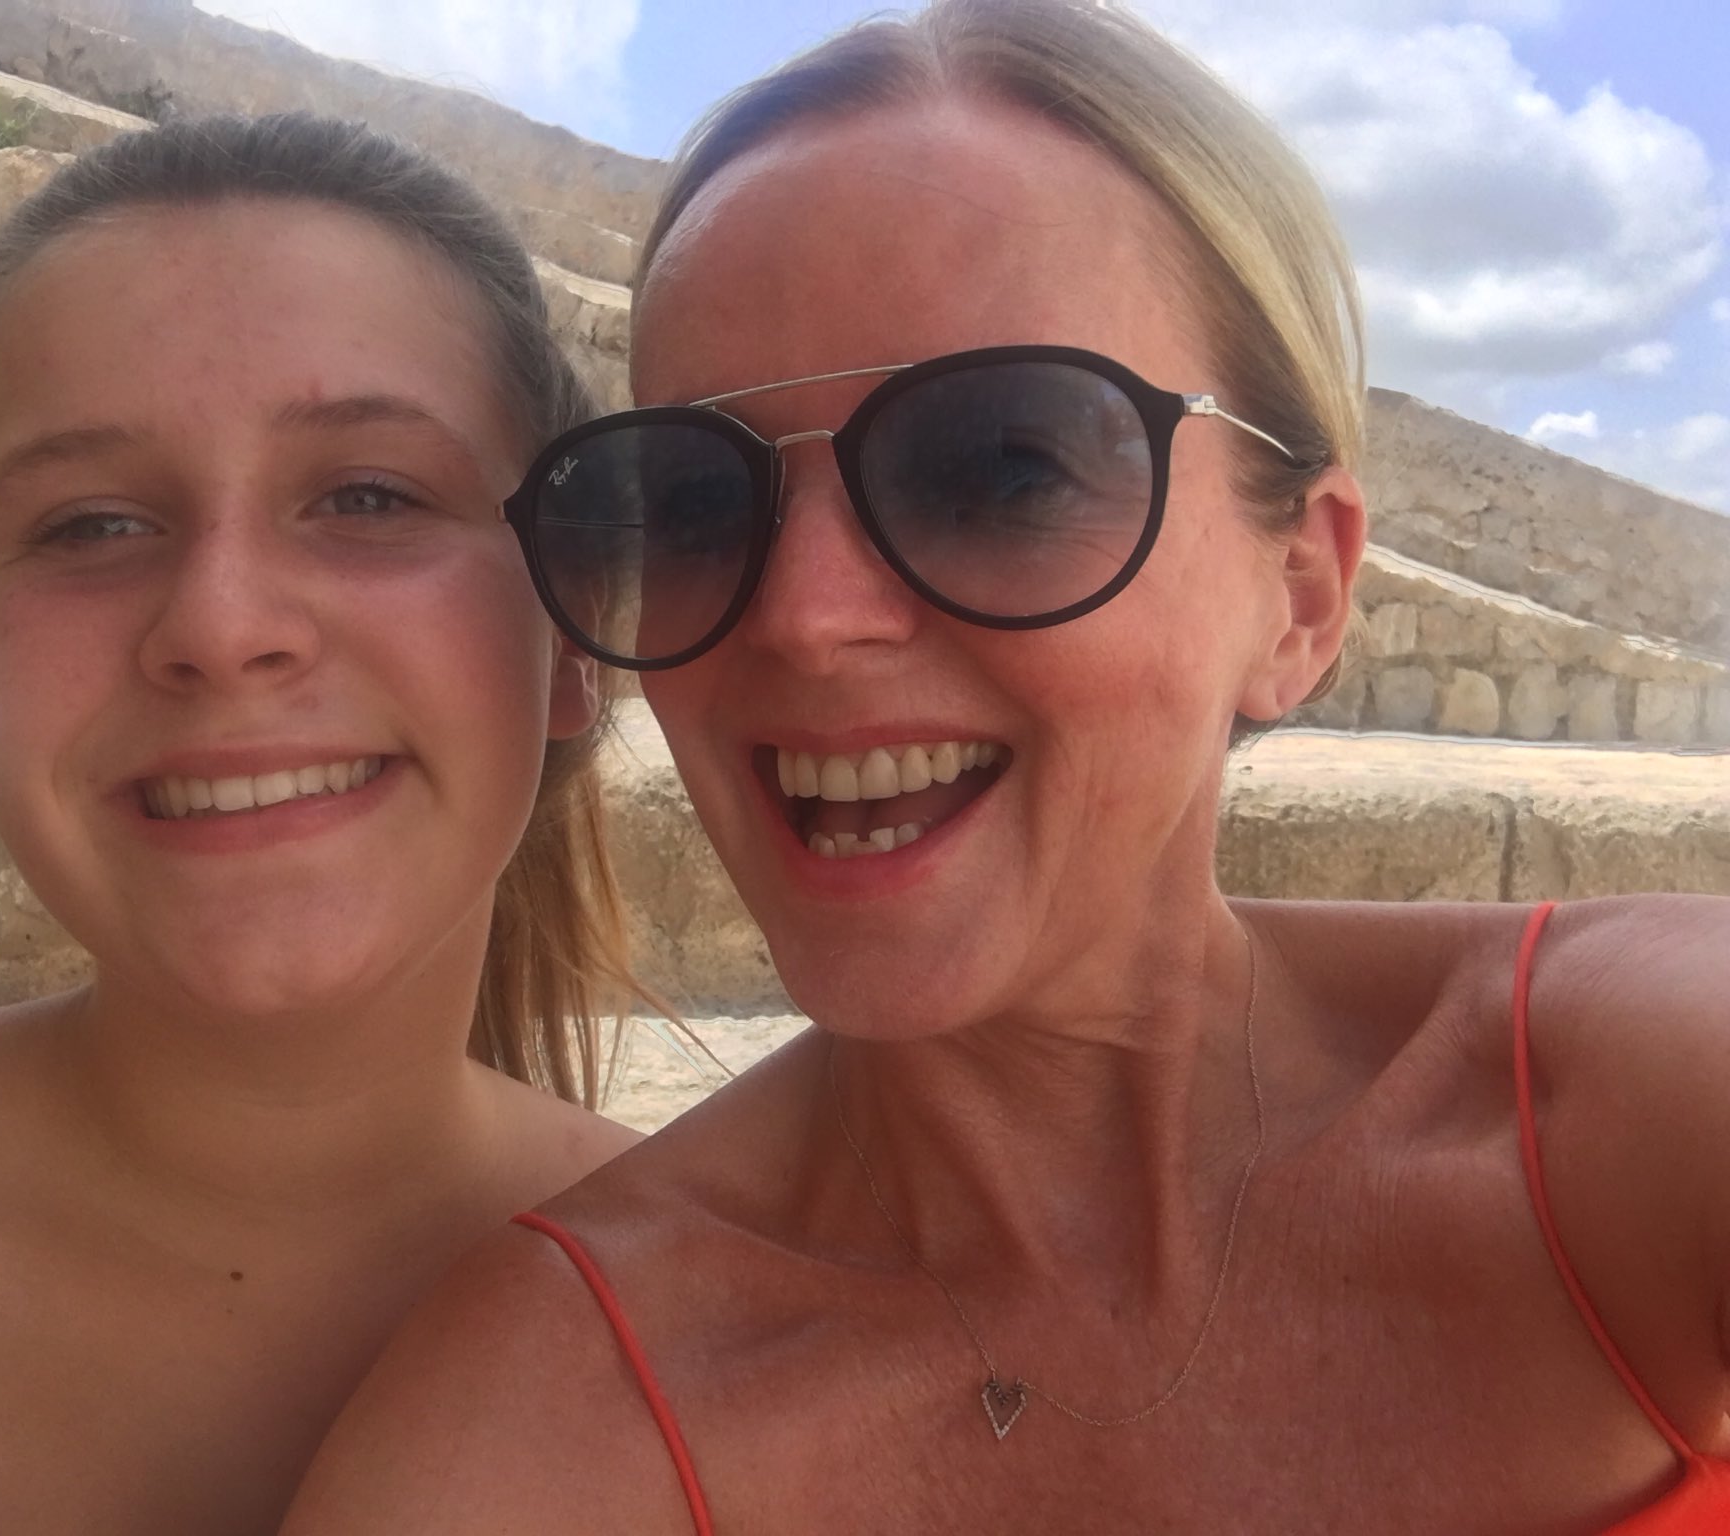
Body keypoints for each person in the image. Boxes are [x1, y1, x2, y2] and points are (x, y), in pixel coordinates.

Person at [283, 3, 1730, 1531]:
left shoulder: (1628, 1097)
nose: (806, 619)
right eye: (697, 501)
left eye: (1004, 466)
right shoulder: (545, 1424)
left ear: (1300, 595)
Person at [0, 114, 652, 1535]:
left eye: (369, 495)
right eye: (90, 526)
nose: (220, 625)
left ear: (573, 634)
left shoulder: (749, 1338)